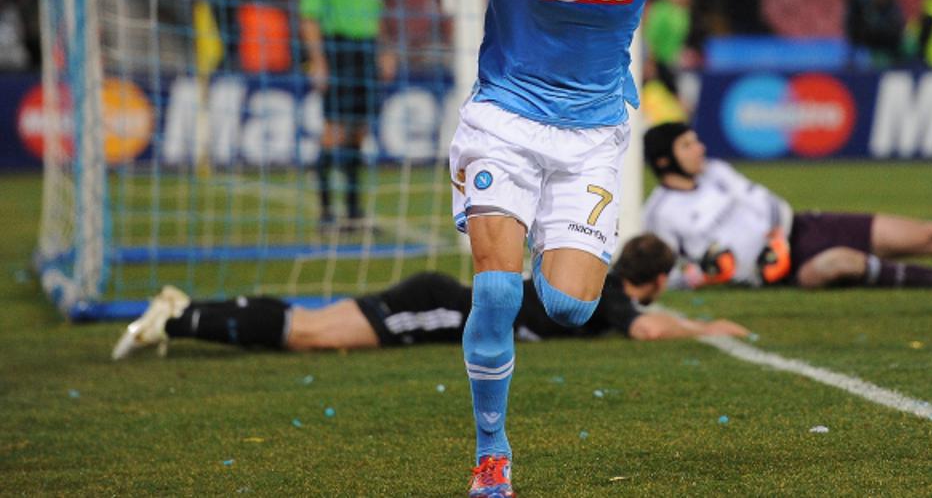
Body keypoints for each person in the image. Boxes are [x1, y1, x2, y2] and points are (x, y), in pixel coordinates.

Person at [218, 0, 908, 497]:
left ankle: (553, 254)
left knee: (570, 308)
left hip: (591, 141)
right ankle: (493, 456)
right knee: (493, 289)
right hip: (504, 126)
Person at [110, 233, 747, 360]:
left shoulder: (600, 286)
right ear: (655, 280)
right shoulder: (608, 300)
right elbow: (647, 330)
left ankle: (182, 310)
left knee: (313, 323)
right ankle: (182, 320)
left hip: (446, 298)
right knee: (314, 336)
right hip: (448, 307)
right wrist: (708, 328)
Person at [642, 122, 932, 291]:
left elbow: (766, 202)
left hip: (804, 228)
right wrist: (707, 275)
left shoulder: (716, 171)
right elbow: (665, 275)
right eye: (687, 144)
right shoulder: (659, 213)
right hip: (778, 275)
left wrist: (776, 236)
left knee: (926, 233)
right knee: (843, 264)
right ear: (665, 160)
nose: (699, 147)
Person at [298, 0, 396, 229]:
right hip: (336, 48)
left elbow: (377, 8)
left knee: (360, 130)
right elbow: (309, 16)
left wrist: (385, 49)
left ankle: (354, 212)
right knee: (334, 129)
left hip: (366, 49)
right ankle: (327, 212)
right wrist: (318, 61)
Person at [844, 0, 904, 68]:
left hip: (888, 49)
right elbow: (852, 29)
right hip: (867, 48)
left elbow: (895, 30)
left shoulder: (891, 8)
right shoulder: (863, 7)